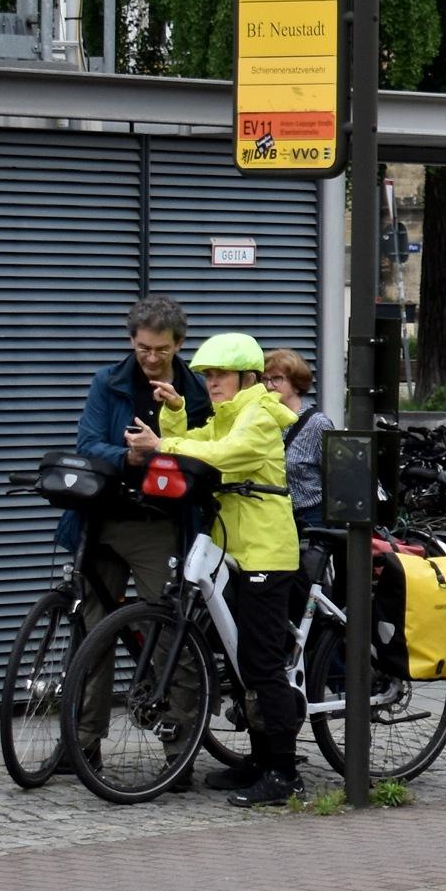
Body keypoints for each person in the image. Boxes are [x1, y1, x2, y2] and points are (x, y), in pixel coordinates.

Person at [137, 333, 305, 805]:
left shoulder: (258, 417)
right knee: (240, 661)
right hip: (237, 550)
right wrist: (173, 413)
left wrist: (161, 443)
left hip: (265, 553)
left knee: (262, 664)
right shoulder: (229, 415)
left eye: (220, 375)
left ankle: (285, 773)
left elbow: (224, 455)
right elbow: (198, 442)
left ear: (247, 378)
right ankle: (257, 761)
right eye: (207, 376)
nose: (211, 383)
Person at [67, 297, 213, 758]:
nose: (150, 358)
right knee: (93, 634)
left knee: (172, 630)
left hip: (157, 522)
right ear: (131, 340)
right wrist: (124, 457)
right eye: (143, 348)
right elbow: (88, 442)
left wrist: (166, 448)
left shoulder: (195, 389)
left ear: (179, 344)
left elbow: (207, 453)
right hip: (103, 517)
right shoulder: (108, 382)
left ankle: (179, 748)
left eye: (161, 350)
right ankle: (84, 744)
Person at [264, 347, 325, 529]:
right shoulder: (263, 419)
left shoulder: (316, 424)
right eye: (264, 379)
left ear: (296, 383)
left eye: (276, 379)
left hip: (309, 518)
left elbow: (334, 476)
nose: (268, 386)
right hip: (274, 518)